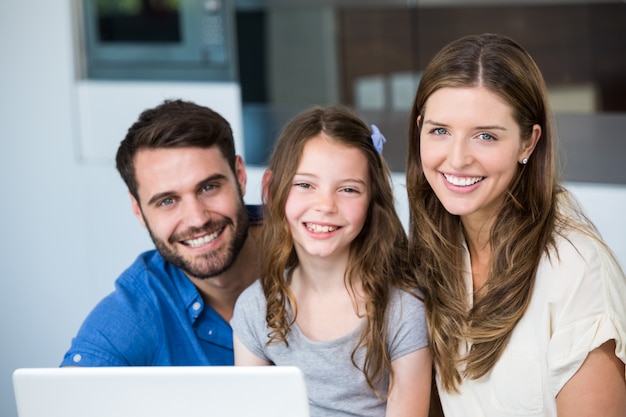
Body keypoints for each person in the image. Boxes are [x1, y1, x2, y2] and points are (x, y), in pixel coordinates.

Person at [406, 33, 626, 416]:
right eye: (440, 131)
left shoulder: (577, 270)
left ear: (528, 143)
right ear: (420, 129)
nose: (457, 159)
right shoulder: (435, 243)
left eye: (486, 136)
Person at [231, 106, 432, 417]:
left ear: (371, 201)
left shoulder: (403, 309)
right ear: (271, 189)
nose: (325, 205)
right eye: (305, 185)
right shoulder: (254, 308)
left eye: (348, 189)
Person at [61, 99, 262, 366]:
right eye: (167, 201)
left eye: (209, 187)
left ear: (239, 176)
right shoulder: (136, 313)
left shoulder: (312, 242)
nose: (197, 219)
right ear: (138, 209)